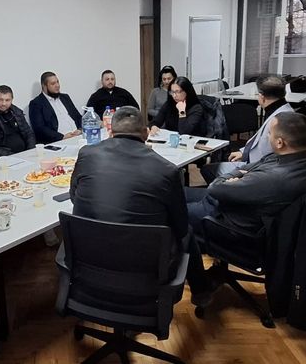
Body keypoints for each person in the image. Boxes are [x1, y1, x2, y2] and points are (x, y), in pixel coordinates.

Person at [69, 106, 213, 306]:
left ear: (110, 132)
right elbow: (180, 227)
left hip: (90, 262)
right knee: (187, 232)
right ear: (146, 134)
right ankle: (201, 293)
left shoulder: (87, 154)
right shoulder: (167, 170)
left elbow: (74, 197)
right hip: (144, 270)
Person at [186, 112, 306, 235]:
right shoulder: (304, 163)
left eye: (269, 133)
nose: (268, 136)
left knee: (174, 207)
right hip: (233, 202)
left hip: (226, 218)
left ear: (279, 143)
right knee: (178, 191)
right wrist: (240, 174)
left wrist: (237, 175)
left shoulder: (273, 177)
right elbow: (249, 167)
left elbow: (215, 188)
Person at [201, 75, 293, 183]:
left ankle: (227, 191)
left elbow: (269, 154)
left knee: (209, 170)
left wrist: (244, 170)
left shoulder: (280, 120)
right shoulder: (281, 110)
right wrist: (243, 153)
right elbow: (261, 142)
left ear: (261, 97)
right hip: (259, 163)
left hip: (260, 169)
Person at [0, 85, 36, 160]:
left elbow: (29, 133)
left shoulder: (16, 112)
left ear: (12, 100)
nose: (4, 103)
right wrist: (16, 157)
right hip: (4, 160)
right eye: (0, 100)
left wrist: (30, 152)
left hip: (25, 156)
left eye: (7, 100)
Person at [29, 71, 82, 144]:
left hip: (78, 136)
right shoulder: (36, 103)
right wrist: (62, 137)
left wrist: (80, 129)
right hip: (59, 141)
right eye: (53, 83)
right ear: (44, 86)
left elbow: (78, 116)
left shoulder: (65, 97)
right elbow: (39, 128)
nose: (57, 85)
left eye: (57, 82)